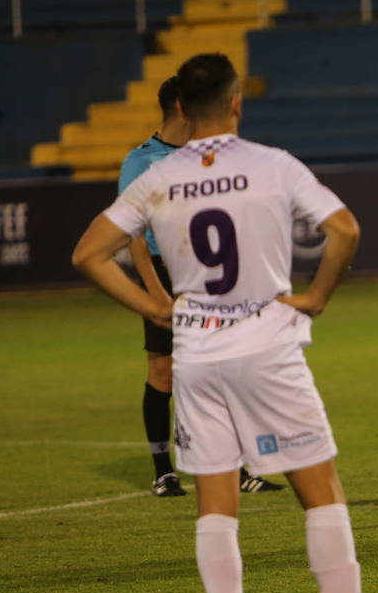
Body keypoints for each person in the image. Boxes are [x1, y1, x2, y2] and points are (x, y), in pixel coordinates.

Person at [71, 52, 378, 593]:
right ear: (236, 103)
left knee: (215, 509)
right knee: (323, 494)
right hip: (266, 345)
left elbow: (90, 253)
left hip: (197, 353)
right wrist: (315, 297)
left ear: (180, 107)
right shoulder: (272, 163)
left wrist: (155, 305)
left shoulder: (158, 176)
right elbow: (344, 229)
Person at [119, 76, 285, 499]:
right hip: (165, 271)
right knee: (163, 373)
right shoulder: (142, 162)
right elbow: (133, 234)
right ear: (181, 107)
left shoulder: (208, 158)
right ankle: (164, 471)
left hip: (212, 273)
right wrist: (155, 293)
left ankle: (245, 468)